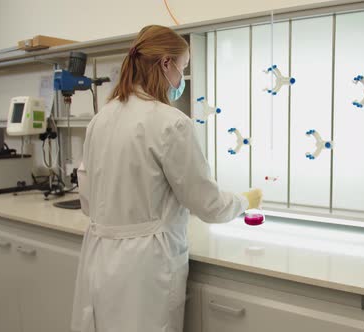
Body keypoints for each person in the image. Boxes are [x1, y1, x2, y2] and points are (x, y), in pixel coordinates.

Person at [71, 25, 263, 332]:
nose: (180, 80)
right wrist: (244, 201)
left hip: (101, 257)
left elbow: (87, 200)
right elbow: (208, 204)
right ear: (165, 64)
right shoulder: (171, 123)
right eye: (183, 68)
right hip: (147, 267)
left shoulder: (100, 119)